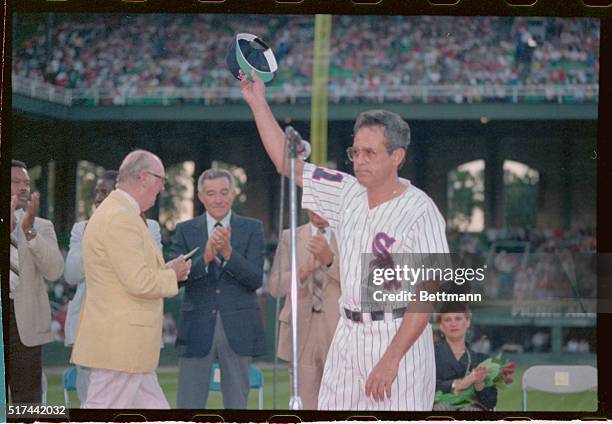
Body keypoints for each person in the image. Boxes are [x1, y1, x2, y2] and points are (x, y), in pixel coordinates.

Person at [241, 71, 448, 410]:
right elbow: (288, 164)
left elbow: (428, 293)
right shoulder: (347, 191)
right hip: (347, 333)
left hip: (396, 337)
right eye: (356, 152)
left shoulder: (420, 209)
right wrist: (257, 101)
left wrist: (390, 359)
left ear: (396, 157)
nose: (360, 160)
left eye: (370, 152)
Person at [70, 150, 191, 409]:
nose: (162, 188)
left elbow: (129, 273)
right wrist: (173, 275)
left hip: (127, 348)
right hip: (120, 346)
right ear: (144, 177)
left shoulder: (121, 212)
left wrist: (166, 269)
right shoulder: (121, 217)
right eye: (161, 180)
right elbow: (139, 282)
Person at [64, 170, 164, 404]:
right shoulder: (82, 229)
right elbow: (71, 275)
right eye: (97, 192)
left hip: (134, 330)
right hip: (91, 330)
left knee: (141, 404)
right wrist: (96, 235)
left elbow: (153, 275)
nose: (98, 198)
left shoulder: (149, 228)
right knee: (91, 402)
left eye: (105, 192)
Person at [171, 168, 265, 409]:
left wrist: (228, 254)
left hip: (238, 330)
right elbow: (175, 280)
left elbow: (256, 279)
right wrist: (205, 258)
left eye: (224, 192)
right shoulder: (185, 230)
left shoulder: (252, 228)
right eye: (211, 193)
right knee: (188, 406)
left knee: (237, 407)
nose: (218, 199)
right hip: (196, 330)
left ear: (233, 194)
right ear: (201, 196)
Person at [268, 209, 341, 410]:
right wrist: (302, 272)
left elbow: (361, 283)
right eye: (311, 201)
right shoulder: (289, 237)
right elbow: (275, 286)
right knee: (304, 404)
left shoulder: (350, 234)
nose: (317, 208)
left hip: (340, 329)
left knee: (341, 402)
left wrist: (330, 261)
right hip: (301, 330)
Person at [8, 160, 64, 404]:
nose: (23, 188)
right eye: (16, 182)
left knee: (27, 407)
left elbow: (55, 271)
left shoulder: (42, 226)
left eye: (27, 183)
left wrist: (29, 231)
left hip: (26, 327)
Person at [434, 303, 497, 411]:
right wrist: (458, 384)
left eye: (458, 318)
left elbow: (490, 403)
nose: (453, 323)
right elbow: (424, 388)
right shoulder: (430, 357)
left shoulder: (481, 361)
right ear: (441, 326)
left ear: (467, 322)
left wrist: (479, 383)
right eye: (448, 320)